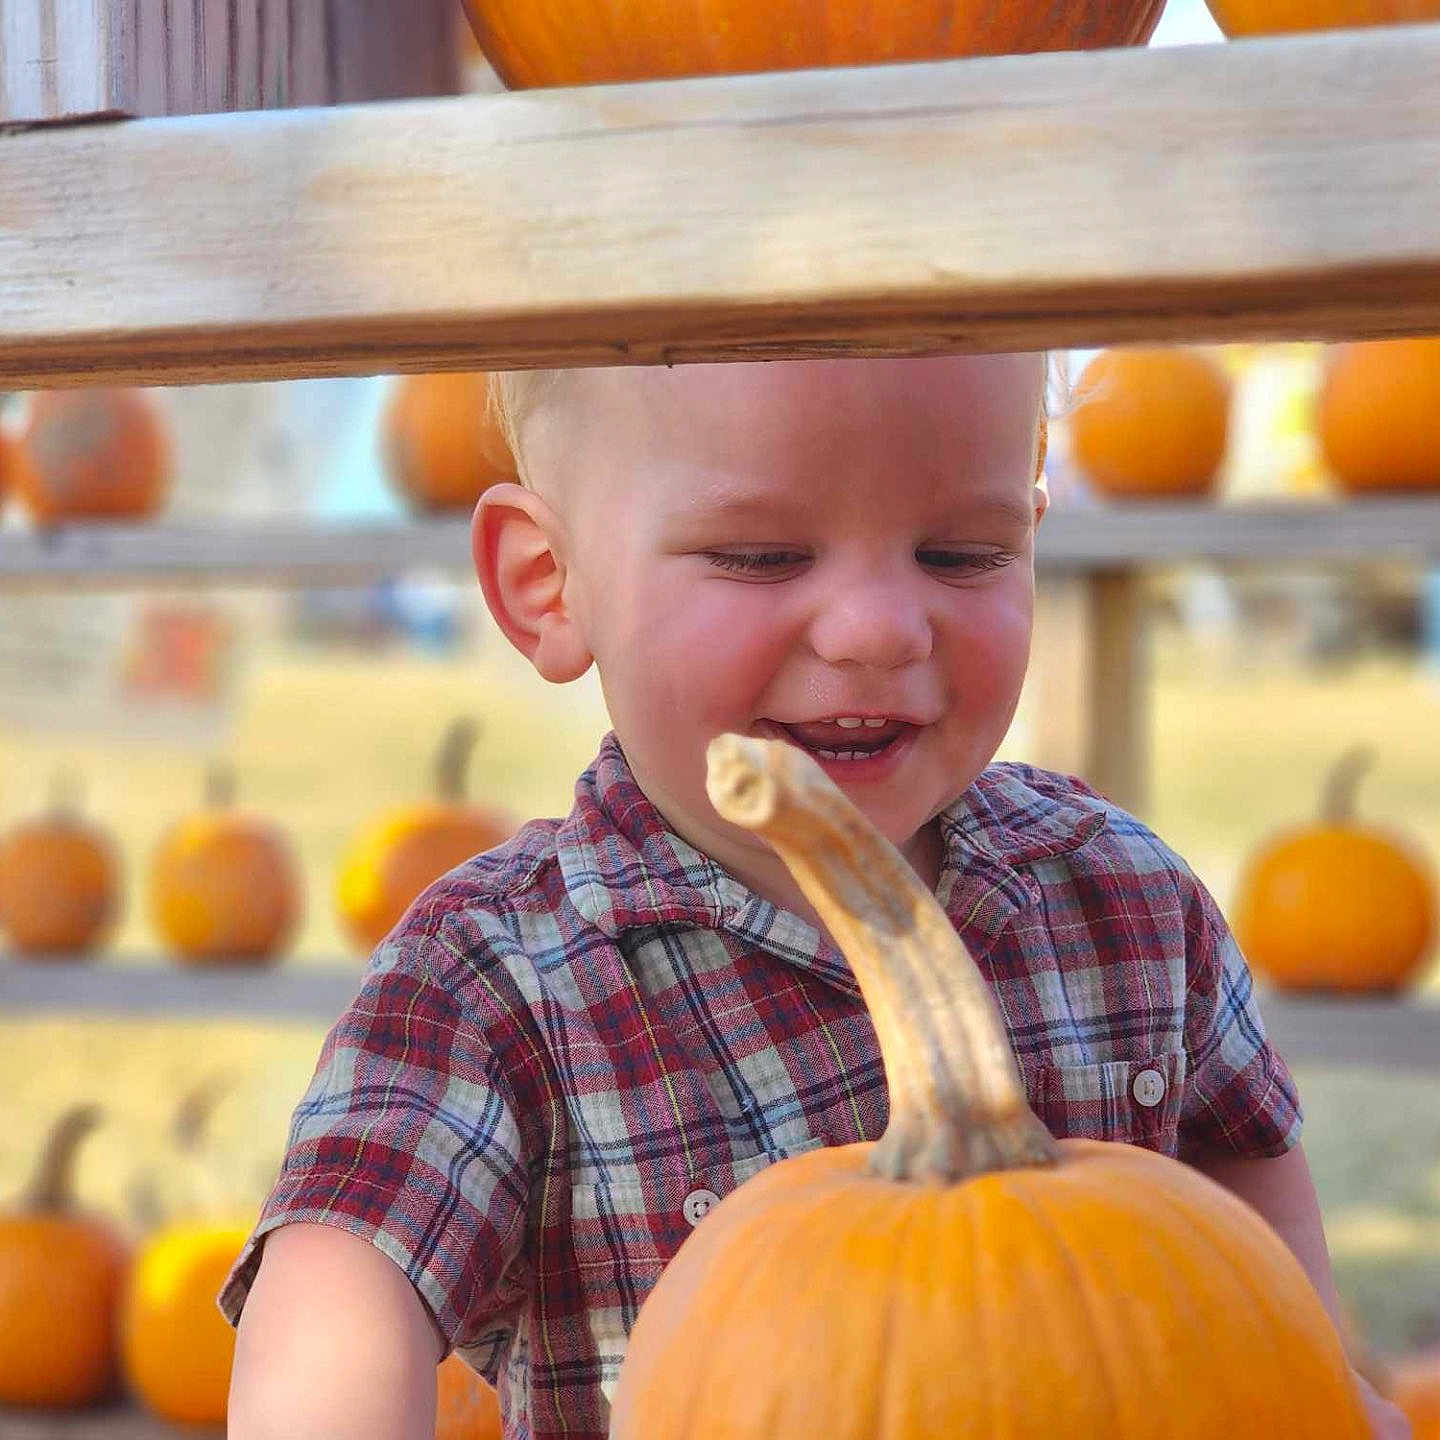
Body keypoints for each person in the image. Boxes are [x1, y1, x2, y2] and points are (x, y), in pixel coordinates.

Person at [223, 355, 1406, 1440]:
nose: (880, 629)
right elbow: (337, 1301)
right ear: (549, 583)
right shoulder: (494, 978)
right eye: (761, 556)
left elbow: (1244, 1175)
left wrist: (1324, 1390)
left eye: (963, 554)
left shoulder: (1123, 899)